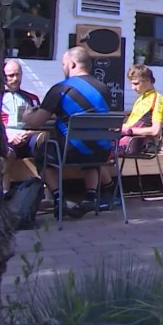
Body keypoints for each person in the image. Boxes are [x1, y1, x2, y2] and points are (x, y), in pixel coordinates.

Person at [23, 46, 112, 218]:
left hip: (71, 152)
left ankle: (59, 198)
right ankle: (90, 197)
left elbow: (36, 122)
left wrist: (26, 116)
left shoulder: (61, 89)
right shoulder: (104, 89)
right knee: (90, 150)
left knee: (42, 153)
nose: (63, 67)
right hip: (102, 152)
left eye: (63, 64)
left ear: (72, 64)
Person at [119, 64, 163, 157]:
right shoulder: (140, 99)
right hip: (128, 141)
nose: (133, 88)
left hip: (136, 144)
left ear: (148, 80)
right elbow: (131, 125)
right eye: (131, 84)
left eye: (136, 83)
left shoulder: (157, 99)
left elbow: (155, 130)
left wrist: (128, 131)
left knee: (98, 150)